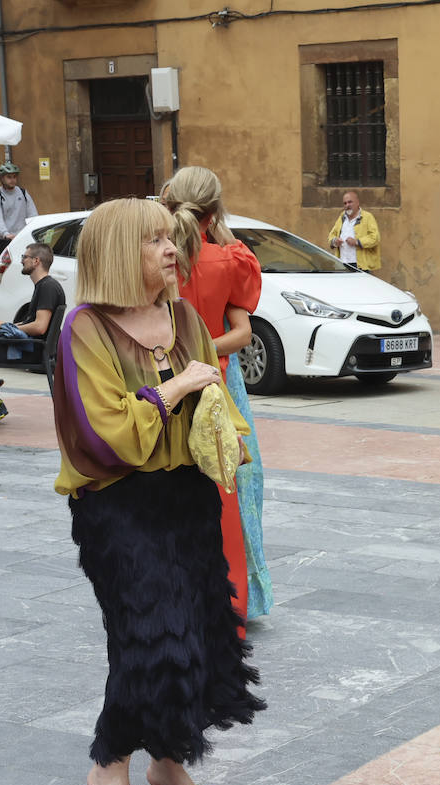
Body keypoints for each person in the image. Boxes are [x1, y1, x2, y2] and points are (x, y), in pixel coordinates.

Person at [50, 197, 264, 785]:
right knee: (150, 636)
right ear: (119, 252)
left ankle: (169, 765)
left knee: (200, 629)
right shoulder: (84, 328)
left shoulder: (183, 318)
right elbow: (105, 432)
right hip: (119, 503)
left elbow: (215, 402)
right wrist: (175, 388)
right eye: (154, 242)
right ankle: (107, 770)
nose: (172, 250)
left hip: (188, 497)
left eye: (171, 239)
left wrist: (221, 421)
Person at [162, 165, 275, 628]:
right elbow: (243, 332)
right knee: (233, 482)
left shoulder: (155, 261)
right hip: (218, 382)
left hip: (165, 383)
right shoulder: (232, 259)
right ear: (213, 209)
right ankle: (235, 595)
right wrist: (206, 352)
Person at [0, 242, 64, 426]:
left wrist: (7, 326)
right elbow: (31, 323)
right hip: (29, 346)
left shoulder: (47, 287)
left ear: (36, 261)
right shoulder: (44, 286)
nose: (22, 261)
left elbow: (40, 327)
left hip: (30, 350)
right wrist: (3, 327)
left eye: (24, 257)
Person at [0, 162, 37, 261]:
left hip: (20, 238)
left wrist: (35, 228)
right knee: (5, 270)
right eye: (9, 177)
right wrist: (5, 233)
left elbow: (33, 213)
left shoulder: (23, 193)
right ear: (2, 178)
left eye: (14, 177)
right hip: (3, 240)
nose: (12, 180)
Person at [326, 190, 380, 271]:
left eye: (350, 202)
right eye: (345, 203)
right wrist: (335, 242)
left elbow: (375, 238)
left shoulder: (367, 217)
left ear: (357, 203)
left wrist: (357, 242)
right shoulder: (342, 217)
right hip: (342, 264)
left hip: (360, 265)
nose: (347, 205)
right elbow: (331, 236)